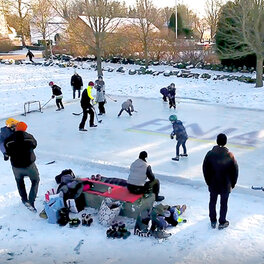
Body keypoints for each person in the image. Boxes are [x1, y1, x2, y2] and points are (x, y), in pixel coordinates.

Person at [203, 133, 238, 230]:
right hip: (225, 184)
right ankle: (222, 221)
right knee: (224, 203)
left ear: (217, 141)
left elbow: (205, 169)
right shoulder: (229, 155)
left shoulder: (210, 154)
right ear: (225, 142)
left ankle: (213, 220)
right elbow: (235, 171)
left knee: (212, 201)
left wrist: (208, 181)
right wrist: (233, 183)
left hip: (213, 183)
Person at [4, 122, 40, 212]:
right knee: (35, 180)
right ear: (25, 129)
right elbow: (35, 145)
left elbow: (6, 151)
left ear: (16, 128)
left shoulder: (8, 140)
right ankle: (31, 201)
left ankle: (24, 199)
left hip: (16, 167)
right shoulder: (29, 137)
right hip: (29, 165)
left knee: (20, 182)